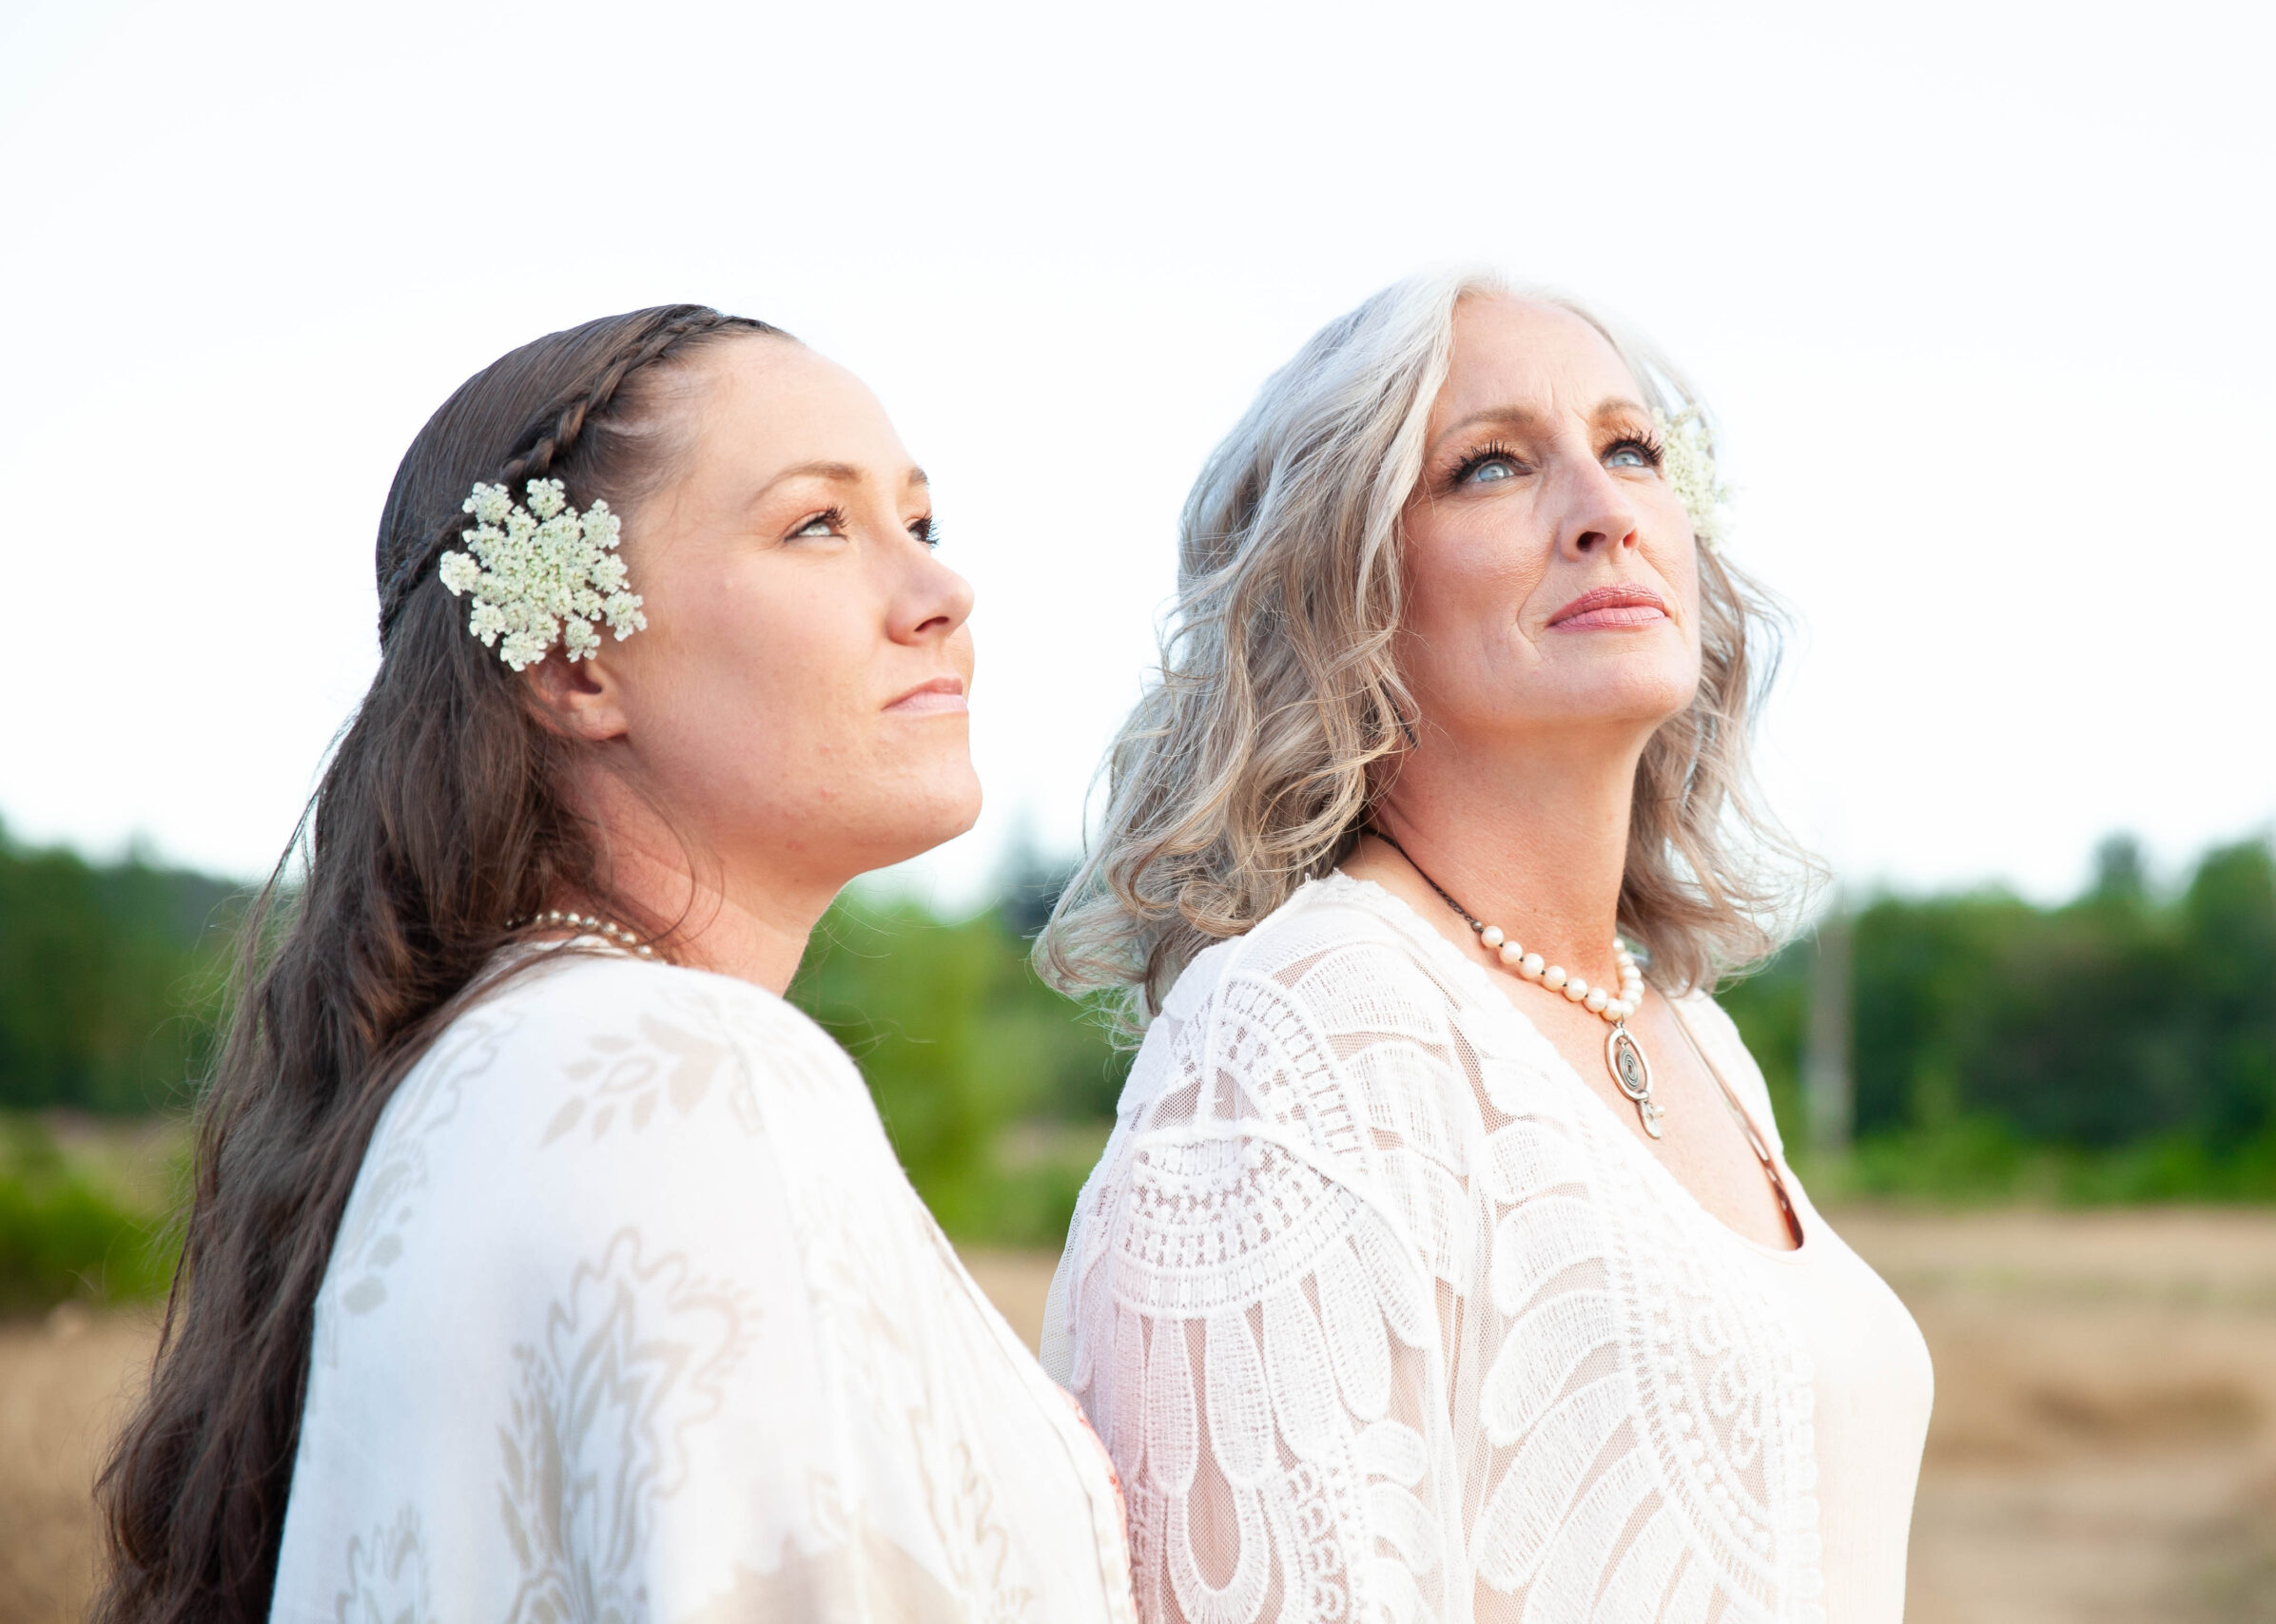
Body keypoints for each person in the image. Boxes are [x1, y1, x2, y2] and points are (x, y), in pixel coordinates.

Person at [98, 306, 1136, 1624]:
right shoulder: (688, 1084)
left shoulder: (507, 1065)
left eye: (920, 524)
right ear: (579, 661)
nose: (942, 594)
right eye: (818, 524)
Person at [1038, 271, 1934, 1624]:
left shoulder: (1698, 1036)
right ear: (1340, 593)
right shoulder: (1298, 1033)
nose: (1606, 511)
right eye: (1493, 465)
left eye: (1631, 448)